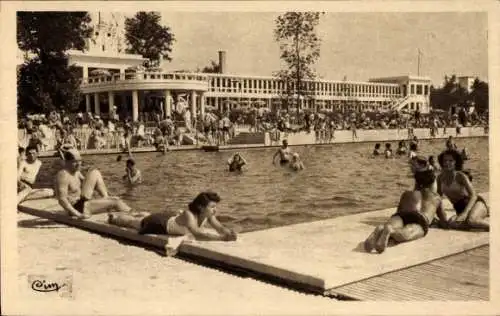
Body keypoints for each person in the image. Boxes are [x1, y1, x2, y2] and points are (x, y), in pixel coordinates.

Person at [364, 167, 446, 253]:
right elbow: (443, 220)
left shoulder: (407, 194)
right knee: (407, 233)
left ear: (417, 182)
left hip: (401, 215)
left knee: (394, 223)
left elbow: (398, 211)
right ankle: (391, 231)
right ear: (432, 183)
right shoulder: (436, 197)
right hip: (420, 220)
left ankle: (382, 229)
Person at [107, 191, 238, 241]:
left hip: (171, 218)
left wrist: (229, 233)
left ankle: (138, 213)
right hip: (160, 224)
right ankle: (113, 218)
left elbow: (220, 228)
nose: (215, 210)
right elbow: (197, 234)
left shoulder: (208, 215)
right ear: (201, 207)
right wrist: (221, 239)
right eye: (212, 207)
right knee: (135, 223)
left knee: (145, 216)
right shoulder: (189, 215)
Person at [55, 148, 133, 219]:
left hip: (82, 202)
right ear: (67, 162)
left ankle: (106, 198)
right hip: (78, 208)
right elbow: (62, 200)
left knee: (95, 172)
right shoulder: (63, 175)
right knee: (116, 201)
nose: (79, 164)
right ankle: (132, 215)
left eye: (80, 161)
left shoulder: (76, 172)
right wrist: (78, 215)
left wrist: (107, 199)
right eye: (75, 162)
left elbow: (89, 184)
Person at [437, 149, 489, 231]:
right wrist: (442, 217)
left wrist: (465, 213)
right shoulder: (440, 178)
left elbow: (473, 195)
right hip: (459, 209)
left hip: (475, 204)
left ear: (456, 162)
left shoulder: (460, 176)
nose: (447, 163)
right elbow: (438, 198)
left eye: (451, 160)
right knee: (450, 223)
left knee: (472, 221)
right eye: (445, 160)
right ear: (441, 162)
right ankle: (473, 225)